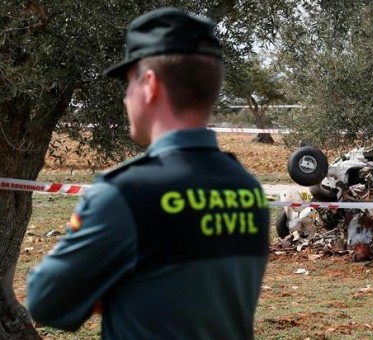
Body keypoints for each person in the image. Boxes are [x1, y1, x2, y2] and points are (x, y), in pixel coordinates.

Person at [27, 7, 270, 339]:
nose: (126, 98)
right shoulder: (248, 189)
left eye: (128, 84)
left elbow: (44, 301)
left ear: (150, 85)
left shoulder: (124, 194)